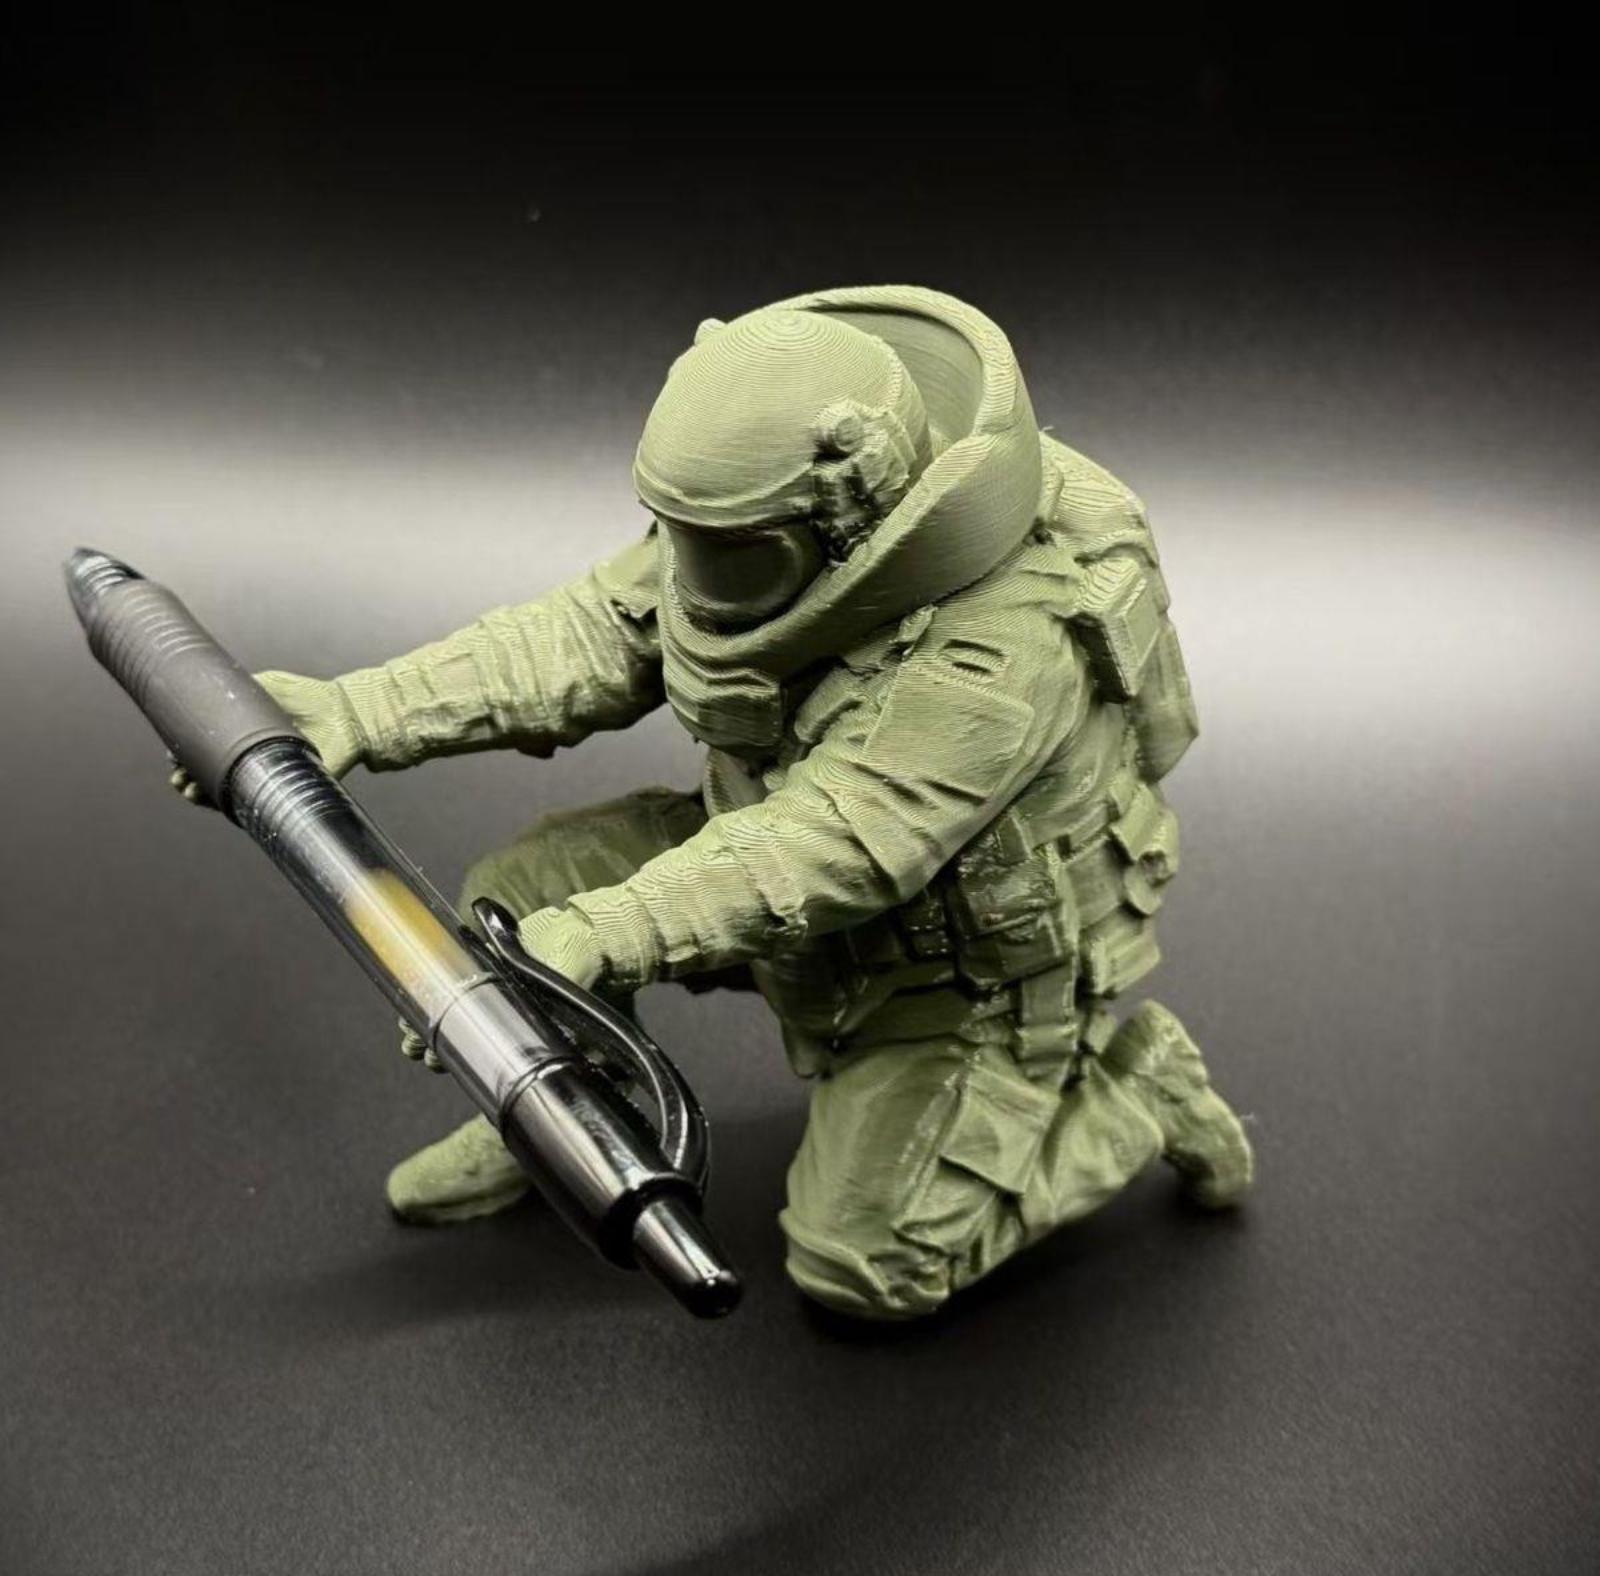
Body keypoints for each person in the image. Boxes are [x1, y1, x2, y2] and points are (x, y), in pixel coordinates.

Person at [226, 286, 1253, 1319]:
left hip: (951, 980)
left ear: (845, 520)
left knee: (864, 1270)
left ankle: (1137, 1093)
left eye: (720, 547)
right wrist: (357, 711)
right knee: (518, 895)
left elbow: (833, 841)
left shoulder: (1006, 642)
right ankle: (564, 1114)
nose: (683, 565)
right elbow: (592, 632)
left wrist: (597, 936)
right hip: (771, 884)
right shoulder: (751, 536)